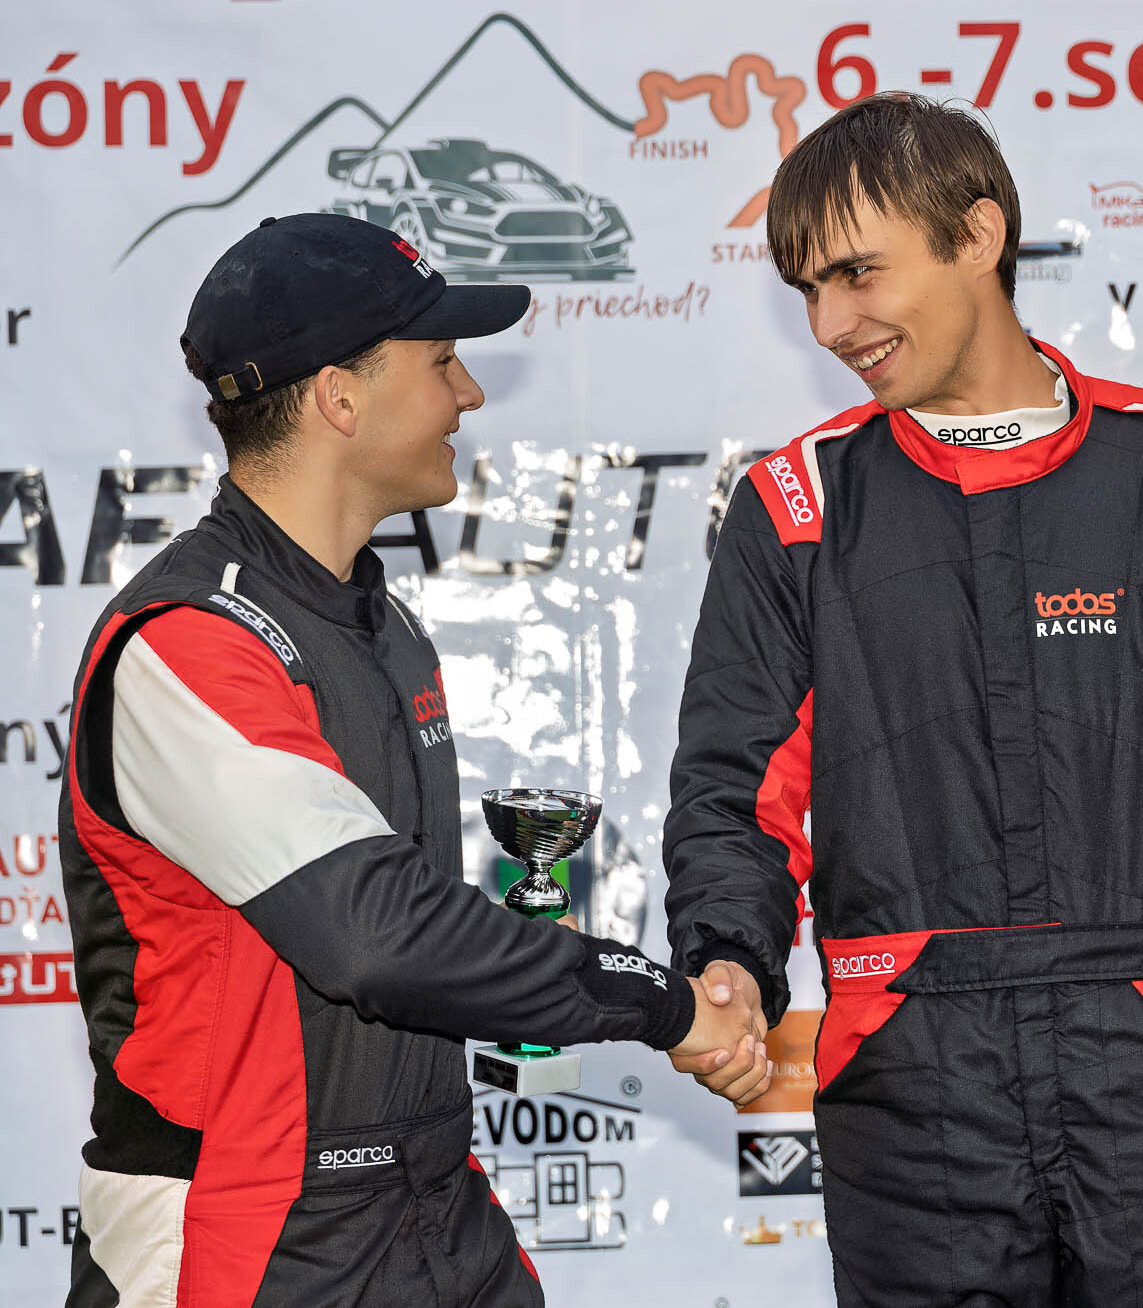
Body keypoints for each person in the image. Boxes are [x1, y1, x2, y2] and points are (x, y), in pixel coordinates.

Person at [663, 92, 1143, 1305]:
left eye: (857, 274)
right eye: (808, 292)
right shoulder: (794, 509)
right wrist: (727, 961)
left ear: (978, 234)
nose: (831, 323)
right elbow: (734, 799)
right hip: (908, 1078)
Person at [57, 214, 758, 1307]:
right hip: (244, 1223)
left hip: (428, 1202)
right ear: (340, 397)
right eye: (441, 362)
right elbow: (377, 935)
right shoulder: (188, 641)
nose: (468, 394)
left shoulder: (381, 626)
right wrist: (655, 1000)